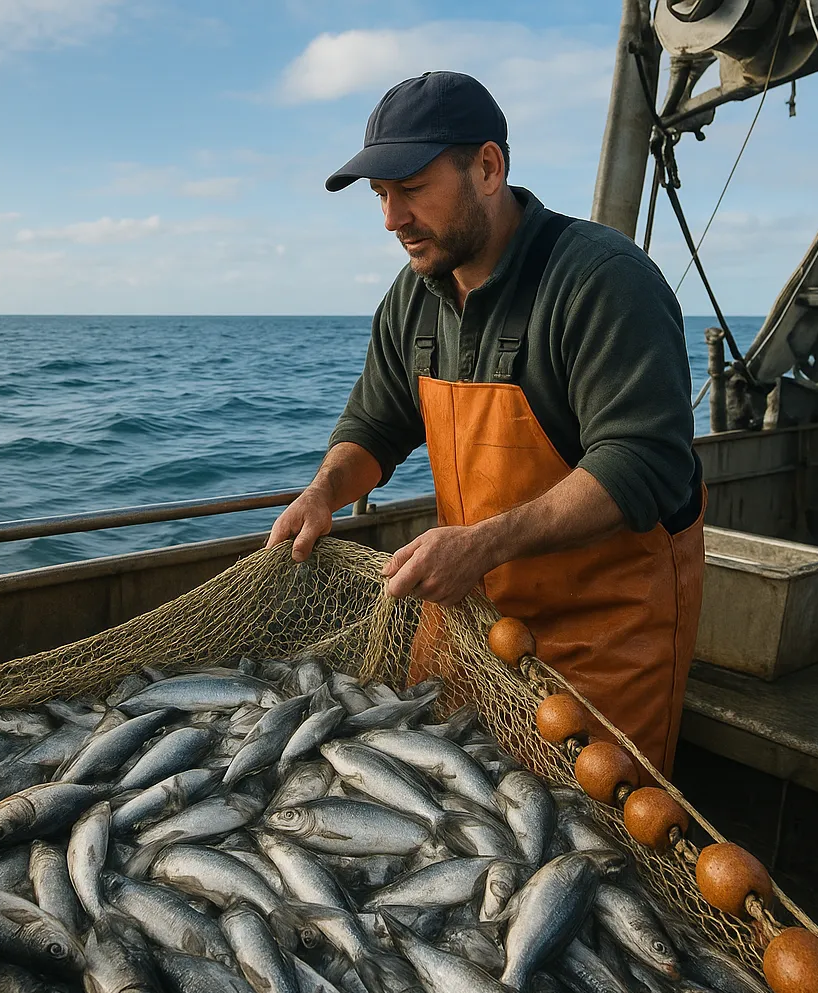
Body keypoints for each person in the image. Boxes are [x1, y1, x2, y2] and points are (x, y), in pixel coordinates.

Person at [266, 71, 705, 775]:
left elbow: (643, 464)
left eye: (411, 189)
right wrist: (324, 490)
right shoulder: (415, 298)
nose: (391, 220)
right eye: (381, 197)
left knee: (593, 845)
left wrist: (484, 543)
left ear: (489, 167)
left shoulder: (601, 281)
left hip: (606, 639)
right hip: (472, 620)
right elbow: (375, 424)